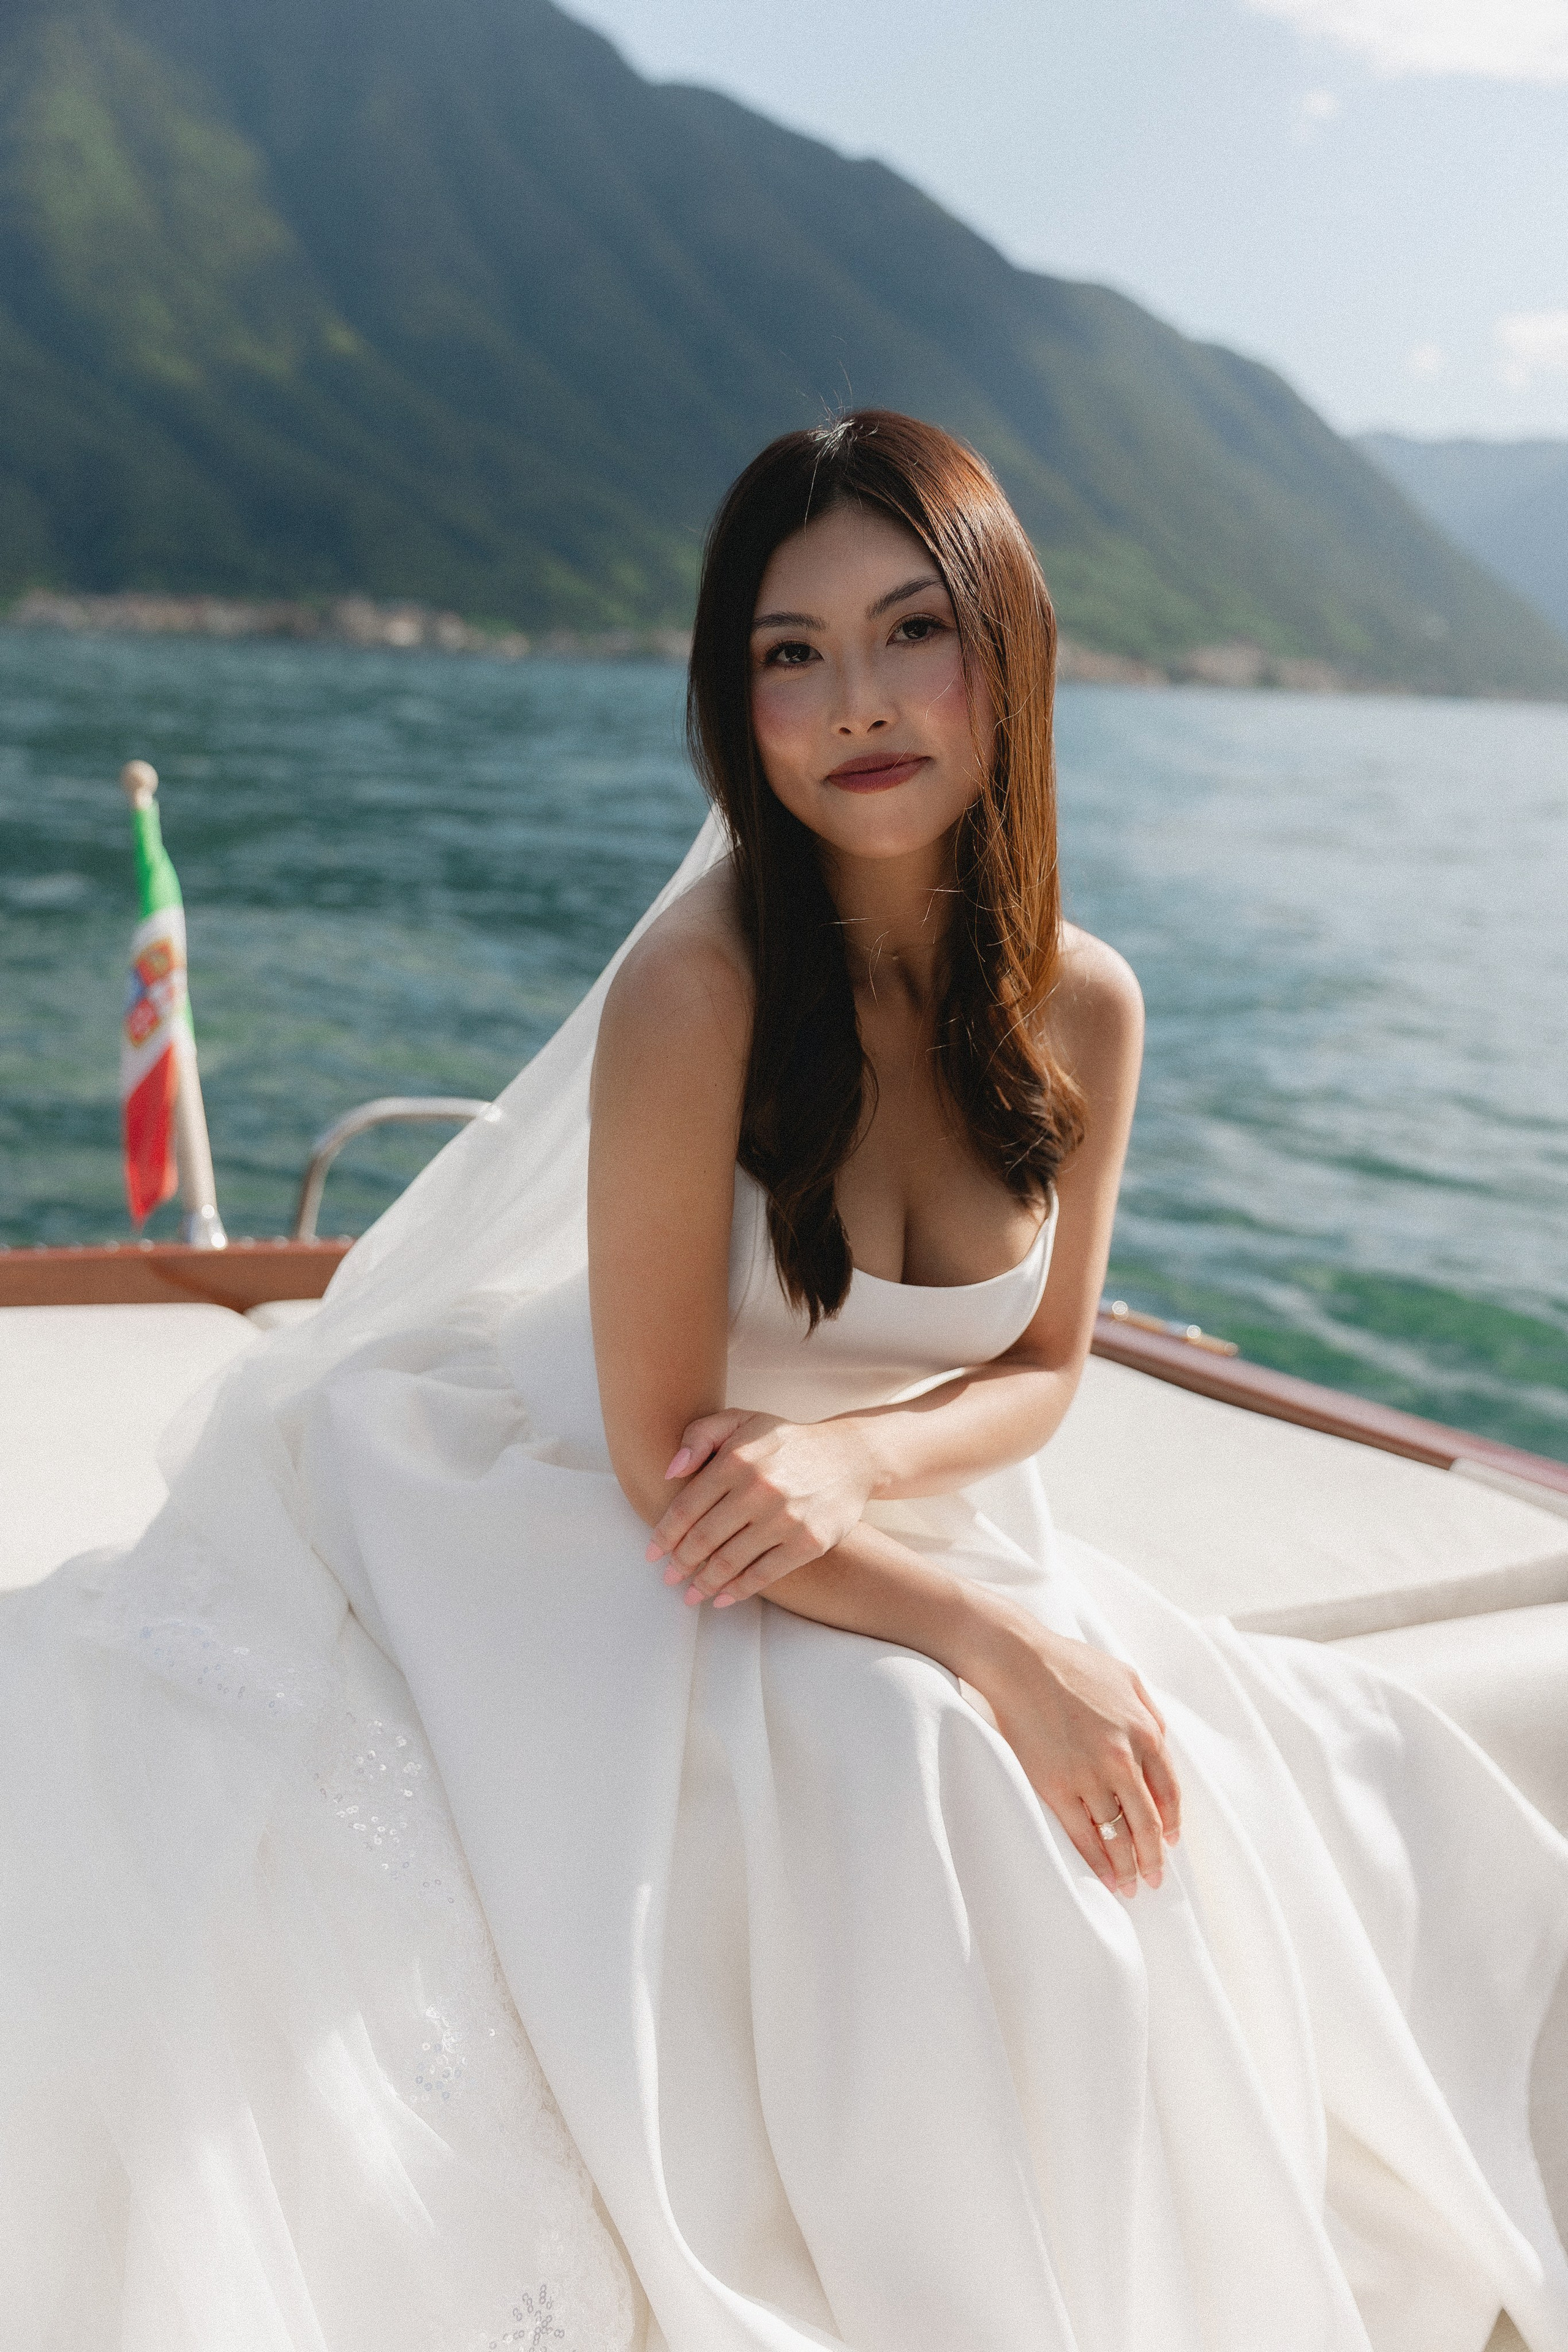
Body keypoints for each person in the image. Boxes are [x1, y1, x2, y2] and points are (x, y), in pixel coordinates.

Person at [3, 412, 1566, 2352]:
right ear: (735, 703)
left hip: (877, 1514)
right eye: (789, 652)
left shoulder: (1087, 1002)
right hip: (623, 1518)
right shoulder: (703, 990)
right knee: (939, 1769)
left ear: (1012, 650)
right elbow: (671, 1459)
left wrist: (865, 1473)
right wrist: (988, 1641)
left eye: (912, 631)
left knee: (1306, 1789)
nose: (856, 703)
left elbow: (1053, 1363)